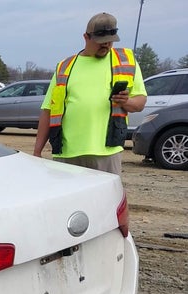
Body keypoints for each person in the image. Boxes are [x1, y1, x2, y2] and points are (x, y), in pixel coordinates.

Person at [33, 12, 147, 175]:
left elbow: (140, 103)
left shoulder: (125, 62)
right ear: (86, 37)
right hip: (67, 152)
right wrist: (37, 151)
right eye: (101, 42)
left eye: (110, 42)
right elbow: (48, 111)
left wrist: (126, 102)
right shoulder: (64, 66)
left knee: (106, 199)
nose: (106, 46)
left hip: (107, 152)